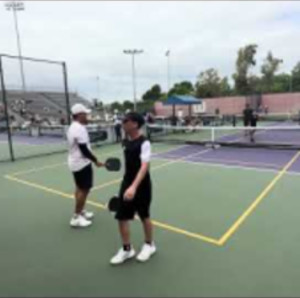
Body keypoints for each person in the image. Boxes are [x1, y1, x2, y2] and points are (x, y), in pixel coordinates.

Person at [110, 112, 156, 265]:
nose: (122, 123)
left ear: (135, 124)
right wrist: (126, 187)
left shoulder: (145, 143)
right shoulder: (126, 141)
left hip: (141, 184)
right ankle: (127, 249)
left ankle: (149, 245)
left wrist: (134, 187)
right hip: (127, 182)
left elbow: (144, 167)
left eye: (125, 121)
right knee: (122, 216)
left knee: (144, 215)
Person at [67, 103, 103, 228]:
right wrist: (95, 160)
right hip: (81, 163)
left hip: (76, 162)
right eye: (85, 114)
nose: (87, 116)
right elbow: (84, 150)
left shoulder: (74, 126)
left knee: (79, 188)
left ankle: (81, 211)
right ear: (79, 115)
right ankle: (76, 217)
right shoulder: (79, 129)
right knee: (84, 189)